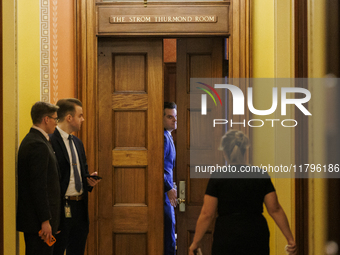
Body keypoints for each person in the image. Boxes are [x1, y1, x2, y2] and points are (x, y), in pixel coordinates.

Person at [188, 130, 297, 255]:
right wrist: (290, 239)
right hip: (256, 233)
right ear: (245, 151)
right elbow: (275, 209)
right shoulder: (260, 174)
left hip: (226, 233)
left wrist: (195, 242)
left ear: (224, 153)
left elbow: (207, 213)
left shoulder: (218, 176)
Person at [49, 98, 101, 255]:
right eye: (80, 115)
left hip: (79, 207)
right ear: (69, 117)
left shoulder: (78, 143)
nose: (83, 119)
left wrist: (89, 181)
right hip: (60, 209)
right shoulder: (50, 141)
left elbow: (82, 173)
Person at [16, 101, 61, 255]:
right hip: (38, 224)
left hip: (40, 221)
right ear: (46, 119)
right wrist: (45, 220)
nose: (56, 123)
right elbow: (38, 186)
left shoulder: (37, 140)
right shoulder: (37, 144)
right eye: (55, 119)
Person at [164, 102, 178, 255]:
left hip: (167, 193)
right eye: (170, 117)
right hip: (163, 193)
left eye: (175, 117)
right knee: (168, 238)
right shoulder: (162, 137)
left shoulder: (169, 136)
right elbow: (157, 167)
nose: (174, 120)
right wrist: (168, 188)